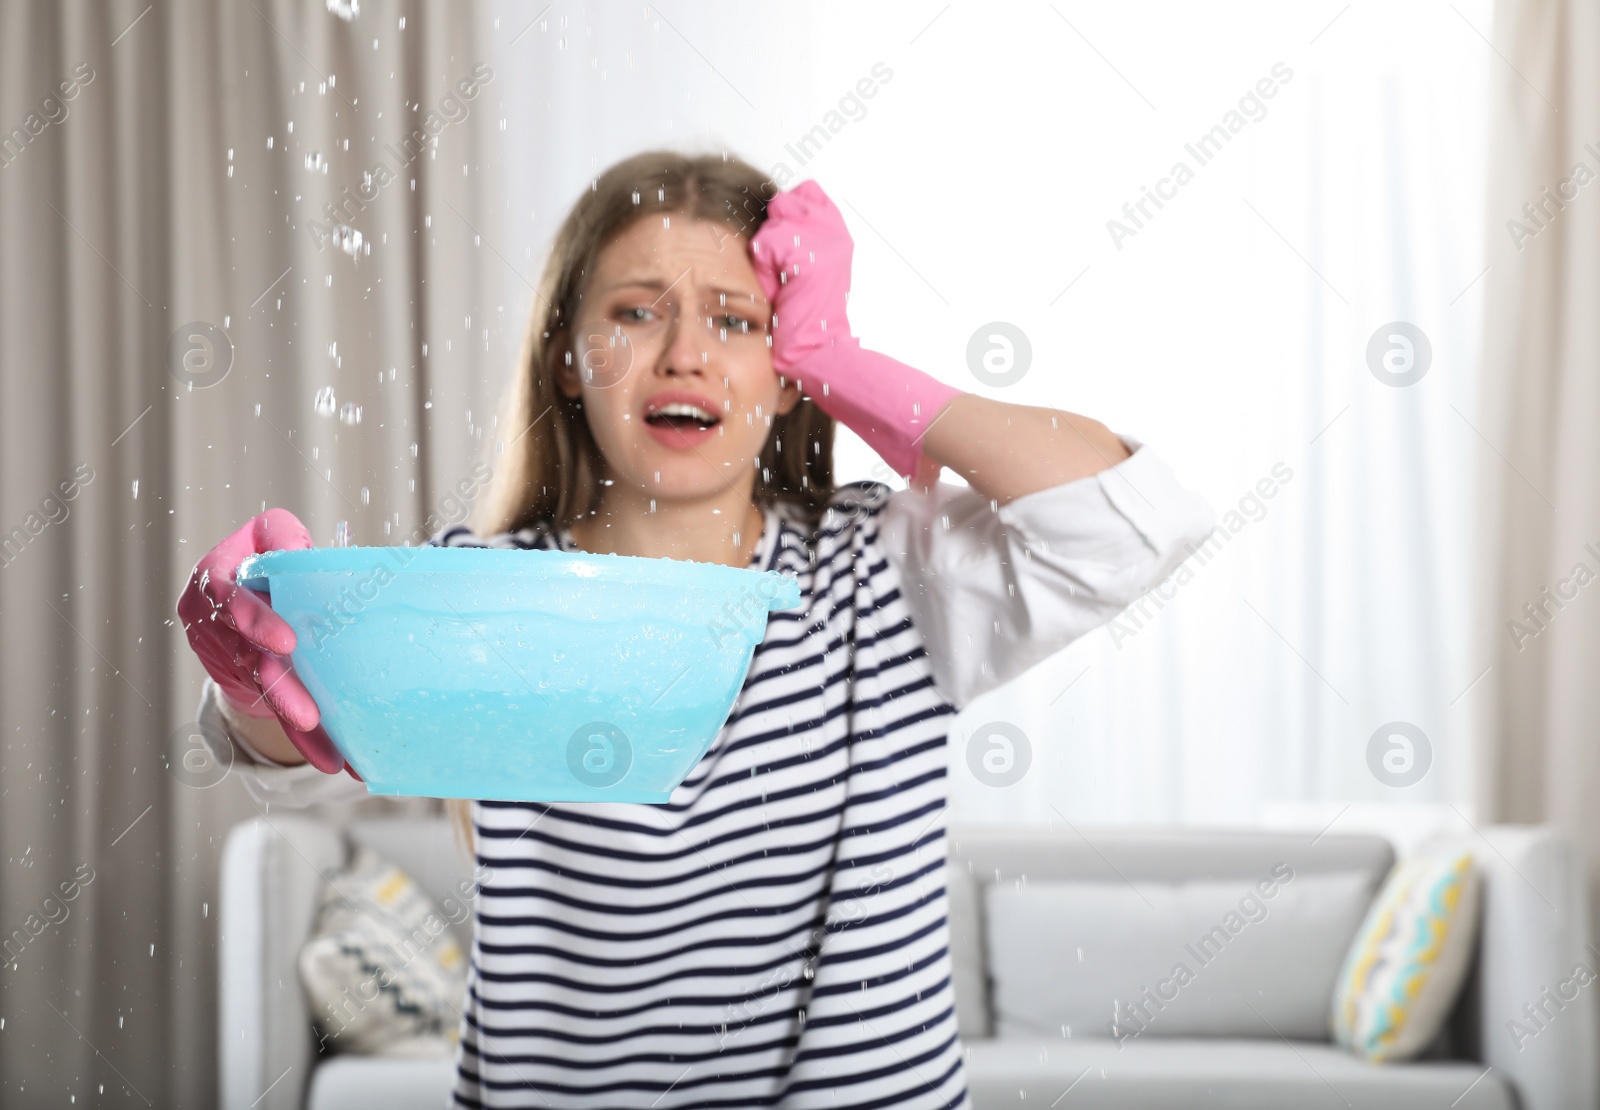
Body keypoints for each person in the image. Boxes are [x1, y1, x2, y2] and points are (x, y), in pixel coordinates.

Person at [178, 151, 1214, 1109]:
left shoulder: (892, 573)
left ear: (785, 373)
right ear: (570, 360)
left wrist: (844, 361)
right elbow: (302, 757)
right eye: (635, 313)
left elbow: (1131, 521)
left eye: (736, 321)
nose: (685, 355)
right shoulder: (488, 592)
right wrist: (251, 677)